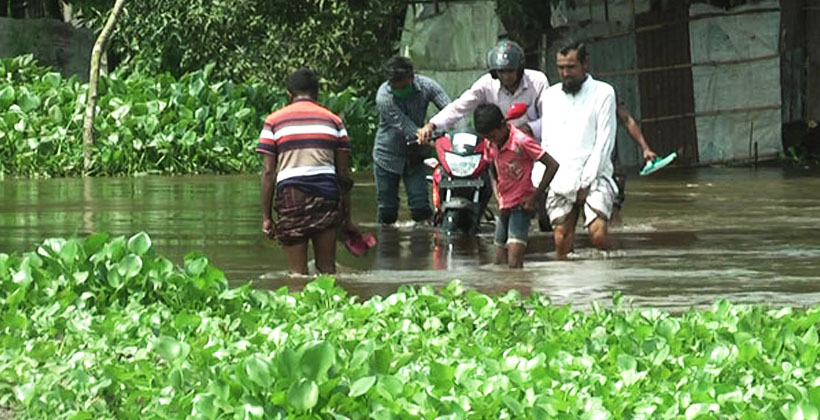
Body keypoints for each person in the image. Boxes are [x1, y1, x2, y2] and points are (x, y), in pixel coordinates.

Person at [258, 68, 358, 274]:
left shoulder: (273, 121)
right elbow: (344, 176)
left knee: (297, 275)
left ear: (289, 95)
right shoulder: (334, 121)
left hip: (291, 196)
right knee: (327, 271)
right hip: (327, 194)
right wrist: (347, 219)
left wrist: (267, 217)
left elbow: (269, 172)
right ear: (317, 94)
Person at [539, 41, 618, 260]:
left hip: (595, 174)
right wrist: (541, 182)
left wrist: (585, 182)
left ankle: (612, 276)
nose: (565, 73)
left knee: (598, 235)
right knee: (561, 242)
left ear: (585, 64)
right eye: (561, 68)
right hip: (561, 177)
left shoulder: (604, 93)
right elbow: (547, 143)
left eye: (571, 67)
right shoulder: (550, 96)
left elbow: (604, 144)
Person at [474, 104, 559, 268]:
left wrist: (535, 197)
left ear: (502, 125)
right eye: (487, 137)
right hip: (504, 203)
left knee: (514, 262)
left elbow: (552, 165)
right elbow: (491, 167)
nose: (491, 140)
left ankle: (520, 290)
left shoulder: (521, 141)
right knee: (499, 261)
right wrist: (496, 191)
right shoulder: (489, 142)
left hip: (521, 204)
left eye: (493, 136)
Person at [417, 39, 550, 143]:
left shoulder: (537, 81)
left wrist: (529, 128)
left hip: (532, 147)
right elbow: (460, 107)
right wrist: (432, 125)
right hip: (497, 148)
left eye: (510, 71)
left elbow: (551, 118)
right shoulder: (486, 84)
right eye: (501, 72)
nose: (506, 76)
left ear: (519, 69)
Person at [373, 56, 452, 225]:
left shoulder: (427, 86)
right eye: (394, 83)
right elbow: (406, 127)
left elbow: (450, 110)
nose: (398, 87)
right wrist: (430, 140)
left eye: (402, 82)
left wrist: (444, 133)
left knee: (421, 208)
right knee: (387, 210)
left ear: (411, 77)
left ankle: (423, 249)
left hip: (415, 156)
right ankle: (386, 247)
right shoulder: (384, 97)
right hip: (387, 156)